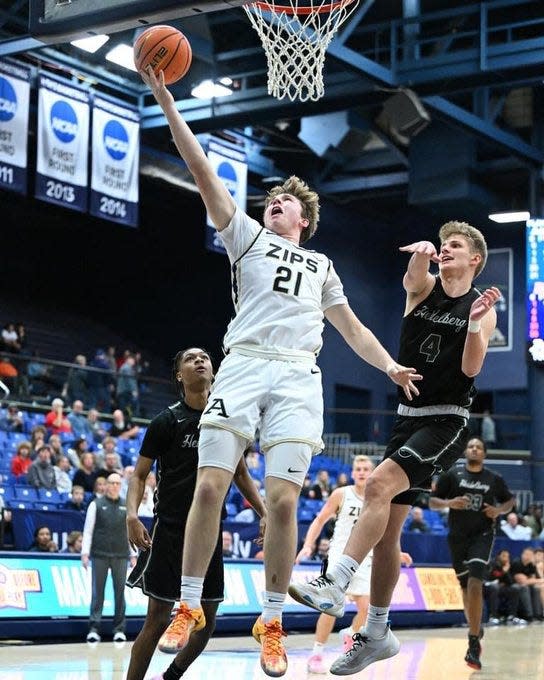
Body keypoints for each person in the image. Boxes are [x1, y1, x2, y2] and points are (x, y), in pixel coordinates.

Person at [140, 66, 420, 678]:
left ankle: (271, 621)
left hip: (297, 375)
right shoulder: (244, 236)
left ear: (304, 219)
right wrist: (164, 95)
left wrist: (392, 365)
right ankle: (187, 606)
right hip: (242, 365)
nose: (276, 201)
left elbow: (353, 331)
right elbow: (201, 169)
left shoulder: (322, 265)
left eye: (287, 200)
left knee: (284, 501)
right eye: (273, 198)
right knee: (210, 485)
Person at [289, 222, 501, 676]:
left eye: (456, 246)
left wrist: (476, 324)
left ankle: (336, 581)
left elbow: (470, 369)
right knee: (387, 534)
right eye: (444, 244)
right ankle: (378, 632)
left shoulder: (479, 306)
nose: (446, 249)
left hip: (446, 419)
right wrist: (420, 255)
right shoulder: (423, 285)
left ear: (475, 260)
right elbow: (411, 280)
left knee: (378, 484)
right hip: (406, 419)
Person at [125, 347, 266, 680]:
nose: (200, 361)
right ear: (179, 375)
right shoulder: (166, 421)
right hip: (170, 529)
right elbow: (139, 474)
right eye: (190, 359)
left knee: (207, 622)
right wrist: (131, 515)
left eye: (204, 357)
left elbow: (241, 473)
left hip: (208, 532)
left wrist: (264, 512)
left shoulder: (226, 422)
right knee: (158, 619)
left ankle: (172, 675)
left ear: (214, 371)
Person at [295, 455, 412, 674]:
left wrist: (399, 552)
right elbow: (320, 519)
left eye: (366, 468)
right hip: (340, 555)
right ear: (352, 473)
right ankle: (317, 653)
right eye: (357, 468)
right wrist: (308, 545)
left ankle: (351, 633)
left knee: (367, 607)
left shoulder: (381, 496)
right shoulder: (342, 493)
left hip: (367, 558)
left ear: (374, 471)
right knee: (329, 606)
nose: (361, 472)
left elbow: (389, 532)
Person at [429, 437, 515, 667]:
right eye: (470, 446)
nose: (474, 449)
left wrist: (498, 510)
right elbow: (432, 502)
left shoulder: (494, 479)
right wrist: (449, 503)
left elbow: (509, 501)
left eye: (478, 447)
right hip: (457, 537)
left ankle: (473, 641)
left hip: (483, 536)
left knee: (476, 582)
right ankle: (476, 626)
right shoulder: (452, 475)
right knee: (465, 588)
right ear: (465, 451)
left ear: (484, 454)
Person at [81, 471, 137, 643]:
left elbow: (130, 532)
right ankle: (94, 628)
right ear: (105, 485)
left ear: (121, 486)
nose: (114, 486)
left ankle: (119, 629)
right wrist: (85, 552)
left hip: (121, 555)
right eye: (111, 483)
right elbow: (88, 530)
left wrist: (133, 554)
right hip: (100, 555)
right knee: (98, 593)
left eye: (117, 484)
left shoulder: (126, 505)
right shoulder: (95, 504)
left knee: (120, 593)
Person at [485, 549, 527, 626]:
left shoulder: (507, 565)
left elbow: (510, 582)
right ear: (498, 556)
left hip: (501, 588)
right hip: (488, 587)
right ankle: (493, 616)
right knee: (495, 587)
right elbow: (491, 577)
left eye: (507, 556)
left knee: (515, 588)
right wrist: (503, 571)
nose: (506, 558)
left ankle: (512, 616)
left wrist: (506, 571)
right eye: (504, 556)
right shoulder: (492, 563)